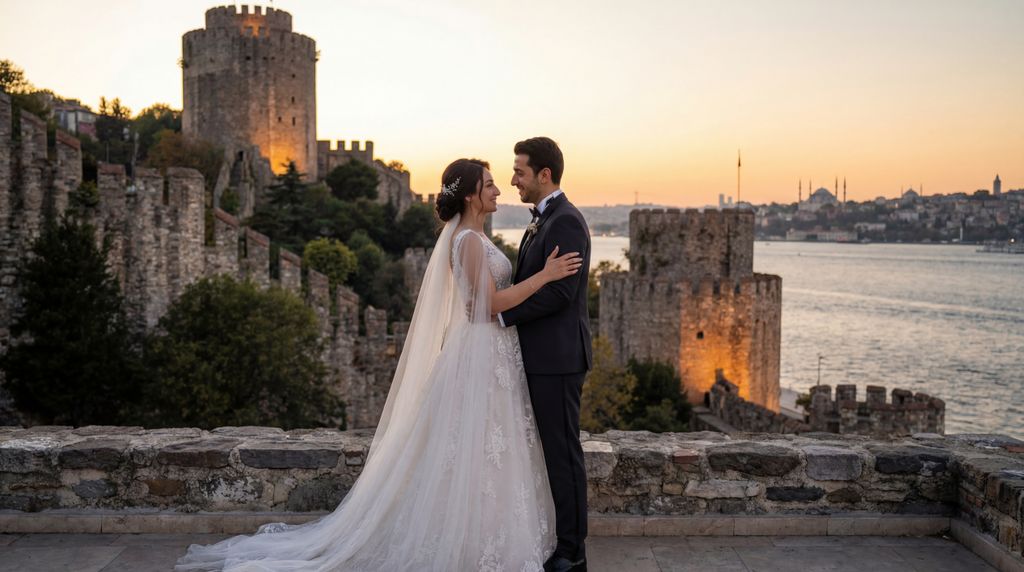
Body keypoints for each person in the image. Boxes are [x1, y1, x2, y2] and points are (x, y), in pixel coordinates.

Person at [175, 158, 582, 571]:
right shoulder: (469, 242)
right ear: (472, 194)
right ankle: (475, 542)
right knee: (479, 443)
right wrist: (545, 276)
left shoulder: (471, 236)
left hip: (492, 352)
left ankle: (485, 534)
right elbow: (485, 306)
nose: (499, 190)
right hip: (482, 348)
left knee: (486, 446)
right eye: (491, 185)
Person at [497, 137, 592, 572]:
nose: (512, 179)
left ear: (544, 175)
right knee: (551, 452)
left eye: (519, 171)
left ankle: (572, 551)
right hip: (542, 357)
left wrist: (502, 317)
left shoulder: (566, 222)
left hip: (558, 360)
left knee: (562, 453)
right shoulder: (544, 220)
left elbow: (560, 293)